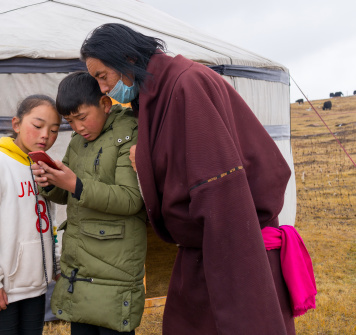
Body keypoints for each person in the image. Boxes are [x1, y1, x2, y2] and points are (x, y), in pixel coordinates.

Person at [80, 23, 316, 335]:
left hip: (230, 245)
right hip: (207, 246)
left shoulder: (186, 85)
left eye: (103, 76)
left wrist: (143, 164)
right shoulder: (163, 89)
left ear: (128, 59)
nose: (102, 88)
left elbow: (220, 189)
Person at [31, 71, 147, 335]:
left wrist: (75, 184)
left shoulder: (127, 133)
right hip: (80, 264)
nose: (78, 127)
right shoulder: (79, 141)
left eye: (82, 118)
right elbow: (67, 191)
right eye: (70, 122)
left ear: (105, 104)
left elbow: (131, 199)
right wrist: (50, 181)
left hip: (114, 262)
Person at [0, 95, 62, 335]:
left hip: (35, 286)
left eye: (54, 130)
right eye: (37, 126)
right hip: (1, 288)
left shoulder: (43, 168)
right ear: (16, 124)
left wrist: (55, 263)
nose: (45, 135)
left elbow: (50, 224)